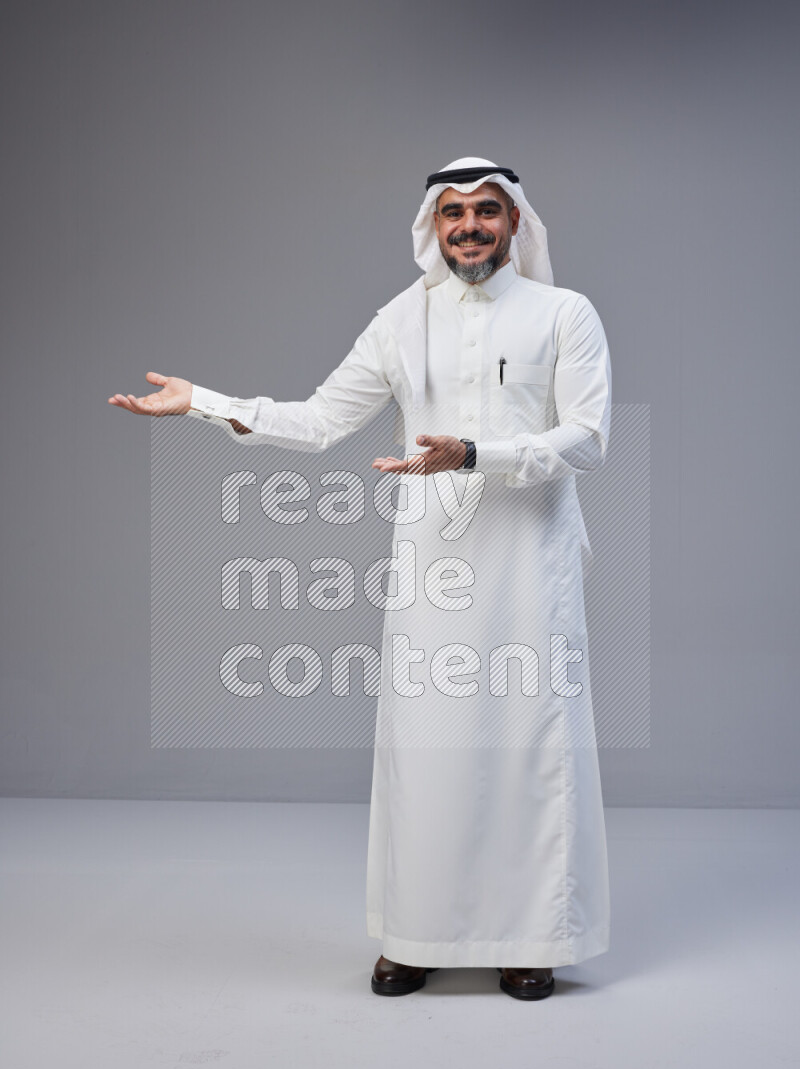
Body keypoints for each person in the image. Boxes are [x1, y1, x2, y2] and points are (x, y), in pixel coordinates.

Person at [109, 157, 612, 1002]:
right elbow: (317, 421)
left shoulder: (565, 315)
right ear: (432, 226)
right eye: (452, 213)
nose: (470, 228)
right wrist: (203, 401)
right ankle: (416, 935)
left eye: (487, 211)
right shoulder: (399, 322)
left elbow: (590, 438)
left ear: (517, 222)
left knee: (530, 746)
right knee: (427, 750)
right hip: (433, 573)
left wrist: (475, 454)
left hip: (533, 567)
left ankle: (532, 937)